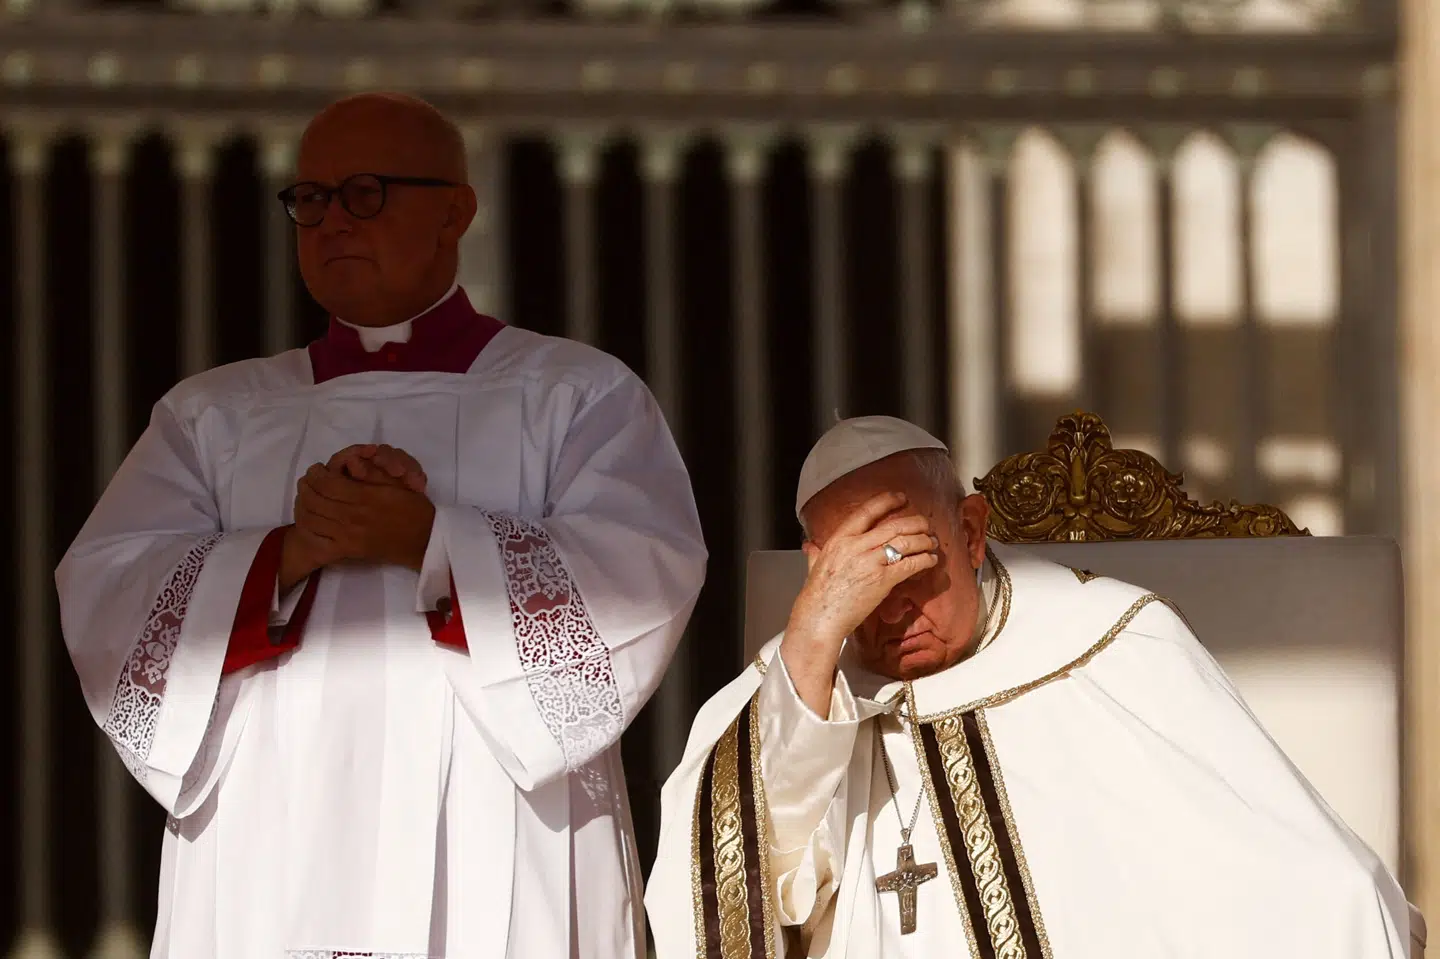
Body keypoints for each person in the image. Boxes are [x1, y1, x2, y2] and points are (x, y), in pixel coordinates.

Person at [56, 92, 706, 959]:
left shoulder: (578, 395)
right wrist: (290, 553)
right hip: (270, 830)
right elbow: (109, 598)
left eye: (365, 192)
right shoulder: (215, 415)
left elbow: (639, 579)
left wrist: (431, 543)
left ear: (455, 211)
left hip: (501, 815)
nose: (331, 222)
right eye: (311, 200)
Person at [645, 415, 1410, 958]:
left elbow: (1307, 882)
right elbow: (715, 895)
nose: (894, 605)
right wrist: (814, 639)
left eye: (912, 560)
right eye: (859, 580)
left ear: (972, 534)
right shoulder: (788, 689)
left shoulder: (1112, 642)